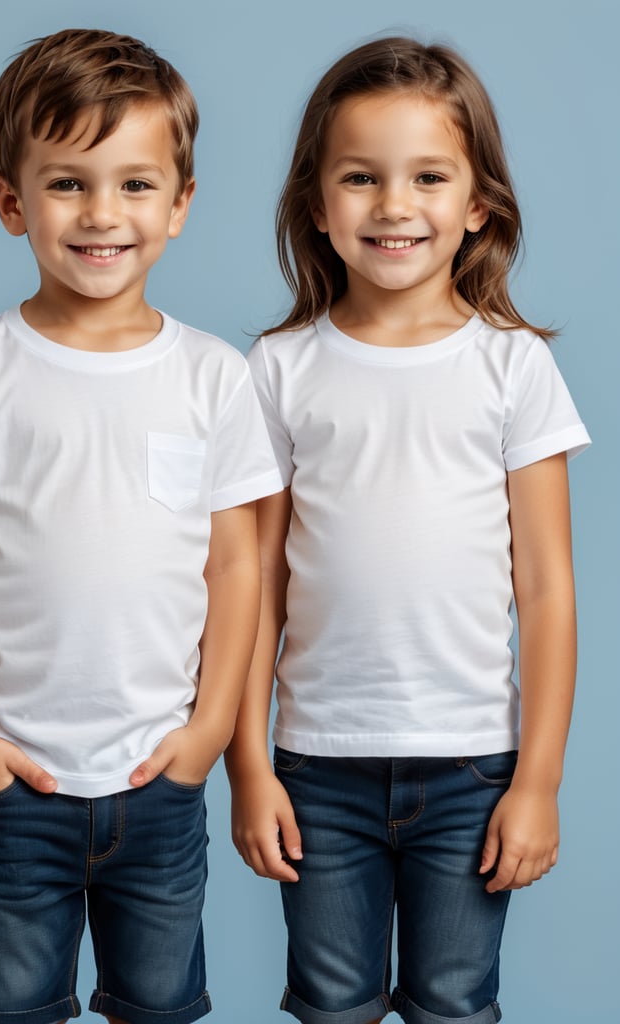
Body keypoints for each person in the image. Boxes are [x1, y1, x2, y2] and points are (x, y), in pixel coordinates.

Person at [0, 28, 281, 1024]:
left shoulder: (212, 379)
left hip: (160, 781)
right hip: (15, 784)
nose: (103, 215)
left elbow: (238, 568)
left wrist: (205, 736)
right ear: (10, 199)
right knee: (10, 1008)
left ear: (181, 204)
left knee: (159, 1006)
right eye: (67, 183)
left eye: (136, 185)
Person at [226, 36, 590, 1024]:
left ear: (477, 203)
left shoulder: (513, 369)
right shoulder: (278, 369)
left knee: (454, 1003)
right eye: (361, 177)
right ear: (317, 202)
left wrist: (540, 780)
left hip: (474, 763)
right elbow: (251, 582)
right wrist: (248, 766)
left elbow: (549, 590)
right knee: (333, 1003)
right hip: (316, 765)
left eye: (428, 176)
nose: (393, 206)